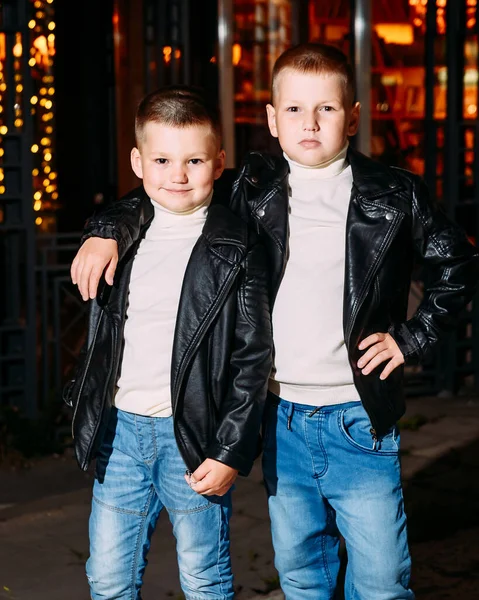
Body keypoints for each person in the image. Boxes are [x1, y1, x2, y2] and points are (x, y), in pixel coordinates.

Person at [69, 44, 479, 600]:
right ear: (271, 118)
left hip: (358, 415)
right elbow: (171, 186)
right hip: (280, 413)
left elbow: (458, 265)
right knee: (302, 571)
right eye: (293, 110)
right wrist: (106, 226)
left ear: (352, 116)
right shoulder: (248, 189)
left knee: (382, 578)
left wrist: (412, 337)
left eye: (327, 110)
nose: (309, 124)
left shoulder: (393, 194)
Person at [64, 84, 273, 600]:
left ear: (219, 161)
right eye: (161, 159)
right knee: (109, 577)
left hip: (193, 439)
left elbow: (252, 357)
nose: (177, 176)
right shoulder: (122, 235)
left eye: (194, 160)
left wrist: (230, 449)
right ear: (138, 162)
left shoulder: (237, 246)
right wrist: (104, 228)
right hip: (122, 435)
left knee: (204, 578)